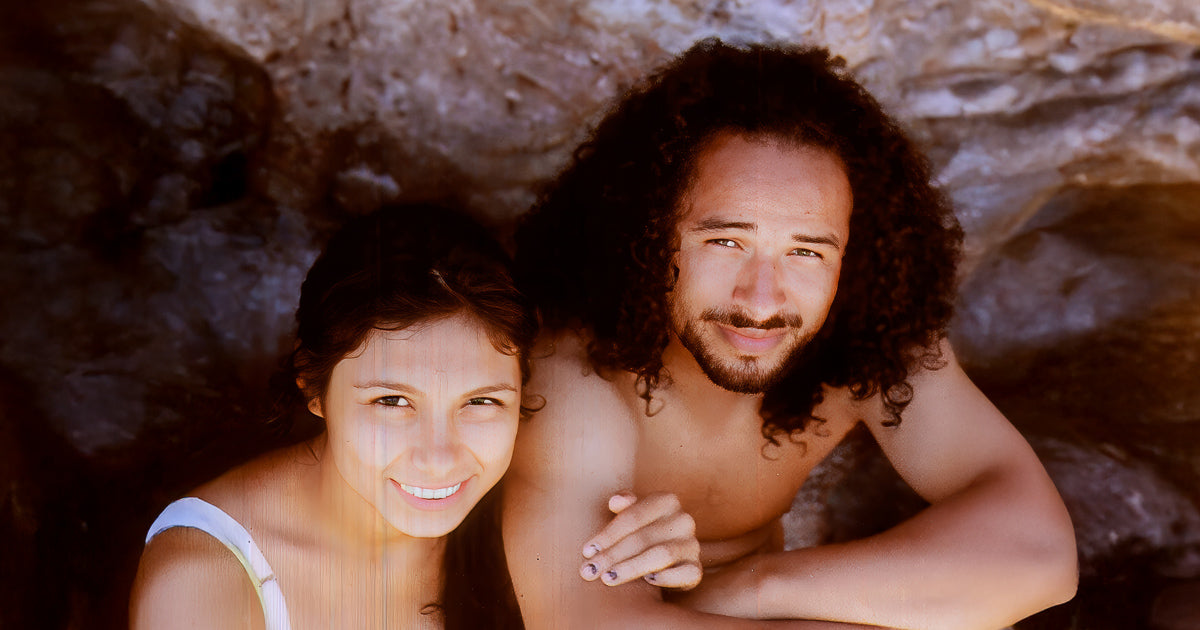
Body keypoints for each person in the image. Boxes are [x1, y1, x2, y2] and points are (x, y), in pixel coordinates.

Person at [504, 39, 1078, 629]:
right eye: (726, 242)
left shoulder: (869, 341)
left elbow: (1041, 555)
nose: (762, 300)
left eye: (806, 252)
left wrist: (756, 585)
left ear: (852, 258)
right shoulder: (575, 372)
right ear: (646, 235)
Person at [129, 203, 702, 629]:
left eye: (481, 402)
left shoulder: (535, 503)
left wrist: (670, 579)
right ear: (313, 387)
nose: (439, 457)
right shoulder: (203, 582)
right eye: (392, 402)